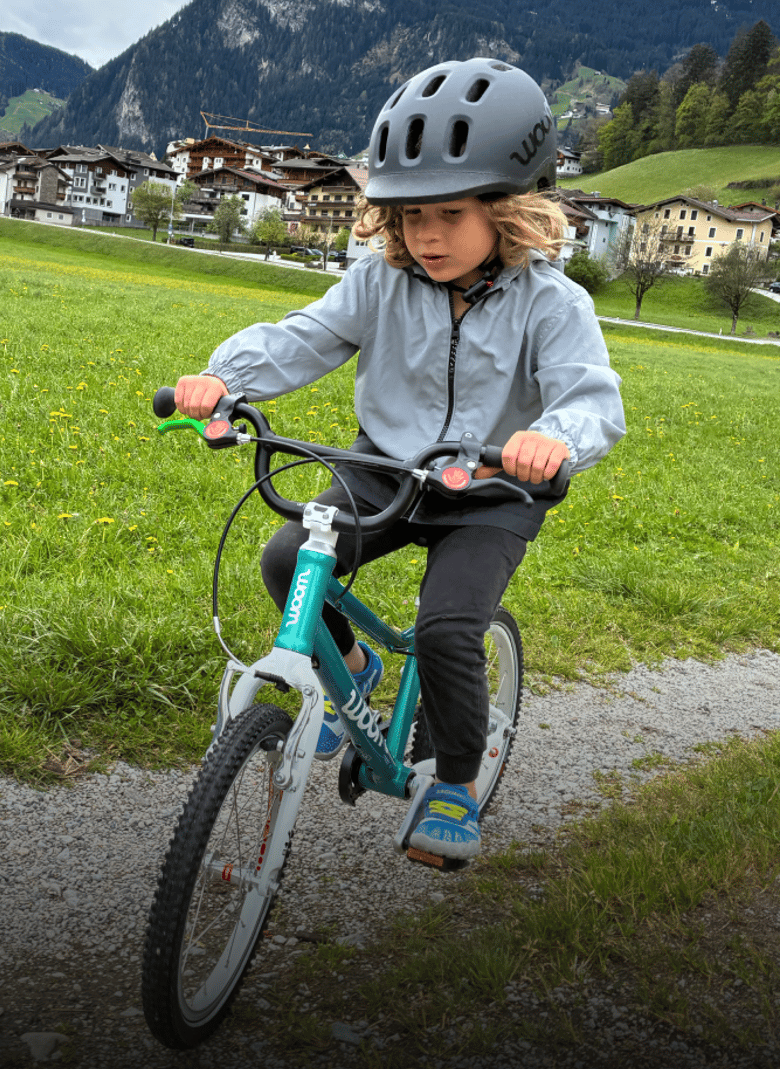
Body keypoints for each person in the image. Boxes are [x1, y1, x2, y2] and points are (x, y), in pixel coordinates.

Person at [174, 58, 626, 861]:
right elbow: (304, 338)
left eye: (451, 213)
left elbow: (591, 398)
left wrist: (553, 439)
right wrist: (223, 379)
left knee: (448, 630)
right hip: (385, 469)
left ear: (509, 210)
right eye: (411, 214)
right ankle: (350, 671)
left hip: (493, 487)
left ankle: (454, 783)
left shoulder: (553, 304)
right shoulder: (379, 280)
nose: (427, 234)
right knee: (287, 560)